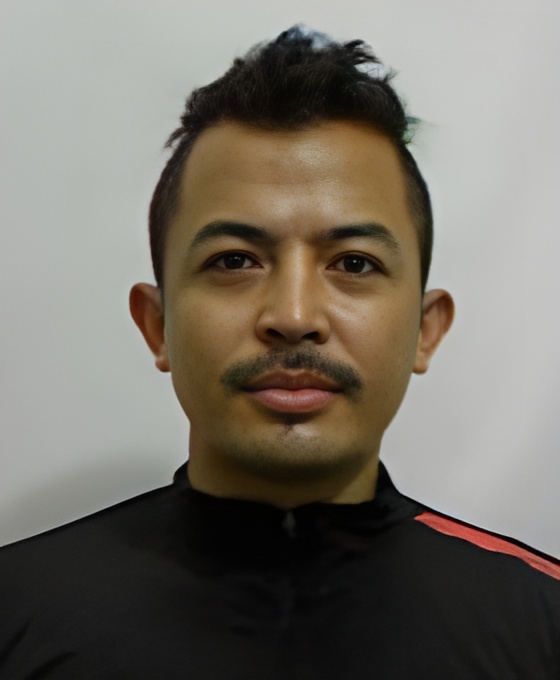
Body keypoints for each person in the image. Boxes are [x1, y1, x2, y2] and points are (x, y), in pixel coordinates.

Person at [1, 25, 559, 680]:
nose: (293, 318)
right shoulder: (17, 613)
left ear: (425, 329)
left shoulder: (541, 625)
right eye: (235, 260)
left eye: (354, 263)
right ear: (157, 325)